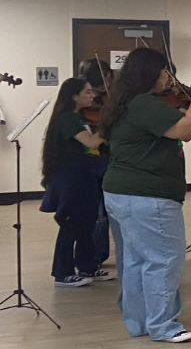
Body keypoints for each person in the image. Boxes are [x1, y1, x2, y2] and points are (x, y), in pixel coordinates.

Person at [100, 48, 191, 343]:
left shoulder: (126, 102)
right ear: (149, 74)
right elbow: (187, 127)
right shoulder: (144, 104)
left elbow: (190, 127)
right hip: (148, 195)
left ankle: (140, 322)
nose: (169, 78)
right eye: (165, 72)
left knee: (135, 260)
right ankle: (164, 325)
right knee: (163, 260)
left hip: (121, 192)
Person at [39, 77, 114, 287]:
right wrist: (109, 125)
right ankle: (62, 273)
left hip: (85, 175)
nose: (92, 96)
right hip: (70, 177)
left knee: (87, 222)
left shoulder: (80, 118)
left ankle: (88, 266)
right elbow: (90, 142)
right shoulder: (66, 119)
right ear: (74, 96)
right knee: (70, 224)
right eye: (87, 92)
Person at [77, 58, 114, 265]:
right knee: (99, 212)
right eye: (106, 76)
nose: (110, 80)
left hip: (109, 158)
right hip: (93, 161)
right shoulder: (82, 107)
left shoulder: (110, 99)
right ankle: (94, 256)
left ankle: (97, 255)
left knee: (105, 211)